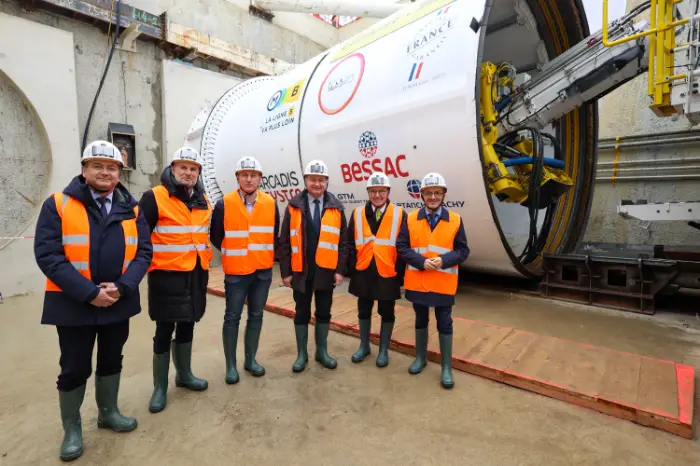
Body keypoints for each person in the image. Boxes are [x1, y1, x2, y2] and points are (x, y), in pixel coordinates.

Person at [33, 140, 152, 461]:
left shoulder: (132, 208)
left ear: (119, 173)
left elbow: (143, 252)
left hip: (118, 301)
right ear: (84, 170)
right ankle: (72, 429)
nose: (105, 172)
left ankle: (108, 413)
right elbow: (48, 255)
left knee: (112, 360)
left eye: (111, 167)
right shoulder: (57, 204)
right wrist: (90, 293)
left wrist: (123, 287)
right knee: (74, 367)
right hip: (73, 304)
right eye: (97, 166)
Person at [138, 146, 212, 414]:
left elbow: (202, 236)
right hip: (166, 276)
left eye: (193, 169)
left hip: (194, 274)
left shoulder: (203, 200)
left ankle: (185, 375)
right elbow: (140, 239)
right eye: (184, 167)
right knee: (163, 329)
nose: (189, 172)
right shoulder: (154, 198)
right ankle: (160, 387)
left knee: (188, 324)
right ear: (172, 169)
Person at [210, 156, 280, 384]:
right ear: (238, 177)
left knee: (256, 315)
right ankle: (231, 366)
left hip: (262, 271)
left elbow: (274, 234)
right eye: (244, 174)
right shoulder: (224, 203)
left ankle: (250, 360)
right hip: (237, 272)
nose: (249, 179)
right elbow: (216, 237)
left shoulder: (270, 203)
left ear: (260, 178)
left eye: (253, 175)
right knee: (232, 317)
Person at [396, 172, 469, 389]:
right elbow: (402, 247)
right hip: (418, 281)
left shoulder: (455, 220)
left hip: (442, 284)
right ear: (422, 195)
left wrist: (444, 260)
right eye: (429, 193)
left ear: (444, 194)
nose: (433, 197)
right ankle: (421, 358)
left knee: (444, 323)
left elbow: (463, 250)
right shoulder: (410, 218)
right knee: (420, 320)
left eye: (438, 192)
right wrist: (420, 261)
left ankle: (446, 367)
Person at [278, 160, 349, 372]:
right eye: (313, 180)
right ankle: (302, 355)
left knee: (324, 312)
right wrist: (286, 272)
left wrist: (339, 270)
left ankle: (322, 351)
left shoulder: (336, 208)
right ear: (306, 181)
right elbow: (284, 242)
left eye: (321, 180)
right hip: (301, 271)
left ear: (326, 182)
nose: (317, 184)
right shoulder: (293, 206)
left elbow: (343, 243)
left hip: (326, 271)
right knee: (301, 312)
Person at [346, 172, 405, 367]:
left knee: (386, 311)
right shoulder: (357, 213)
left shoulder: (399, 214)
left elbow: (404, 247)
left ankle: (383, 350)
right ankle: (364, 346)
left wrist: (400, 276)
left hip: (388, 272)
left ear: (388, 192)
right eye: (373, 191)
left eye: (381, 191)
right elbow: (349, 243)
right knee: (363, 309)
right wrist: (351, 270)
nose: (377, 195)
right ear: (368, 192)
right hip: (363, 270)